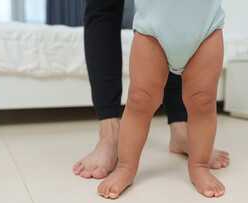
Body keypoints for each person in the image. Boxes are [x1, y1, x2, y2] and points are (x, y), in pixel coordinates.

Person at [73, 0, 230, 182]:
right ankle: (126, 166)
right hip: (151, 29)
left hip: (206, 28)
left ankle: (199, 165)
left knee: (203, 101)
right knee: (140, 100)